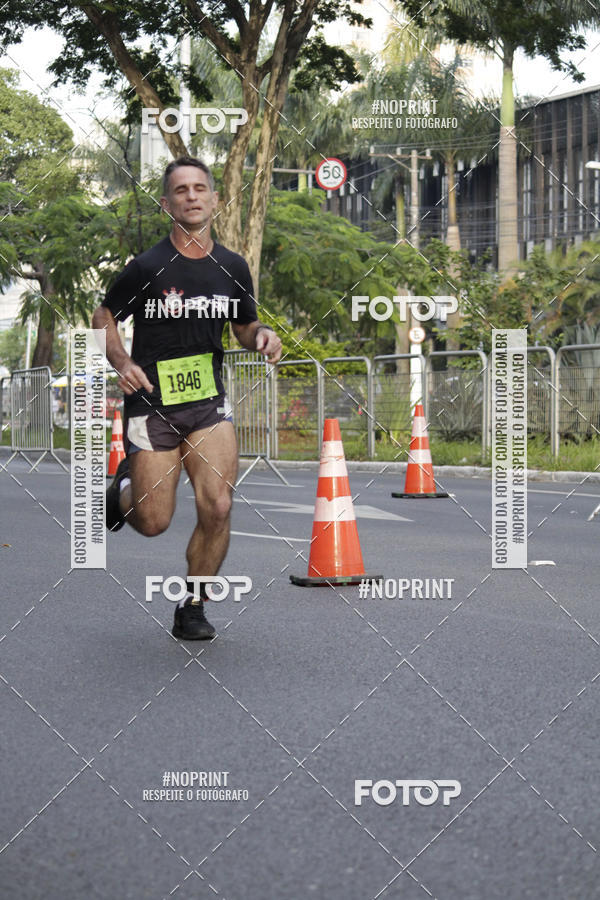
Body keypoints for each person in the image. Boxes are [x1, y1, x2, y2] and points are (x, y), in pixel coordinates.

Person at [92, 156, 282, 640]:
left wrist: (261, 336)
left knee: (218, 505)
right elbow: (103, 316)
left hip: (207, 403)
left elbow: (242, 325)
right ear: (166, 203)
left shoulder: (232, 267)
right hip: (151, 403)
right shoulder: (148, 267)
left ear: (215, 199)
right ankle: (123, 493)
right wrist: (122, 362)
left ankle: (193, 605)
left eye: (201, 188)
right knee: (153, 522)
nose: (192, 196)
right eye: (181, 190)